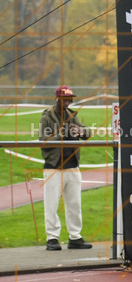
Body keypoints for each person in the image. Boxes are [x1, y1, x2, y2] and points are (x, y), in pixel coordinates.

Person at [39, 86, 92, 250]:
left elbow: (89, 133)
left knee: (75, 204)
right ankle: (52, 238)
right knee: (51, 204)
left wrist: (80, 130)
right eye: (65, 100)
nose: (68, 102)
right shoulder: (46, 116)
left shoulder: (72, 115)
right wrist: (62, 133)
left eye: (70, 99)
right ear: (57, 99)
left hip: (72, 166)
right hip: (53, 167)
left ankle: (75, 237)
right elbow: (43, 139)